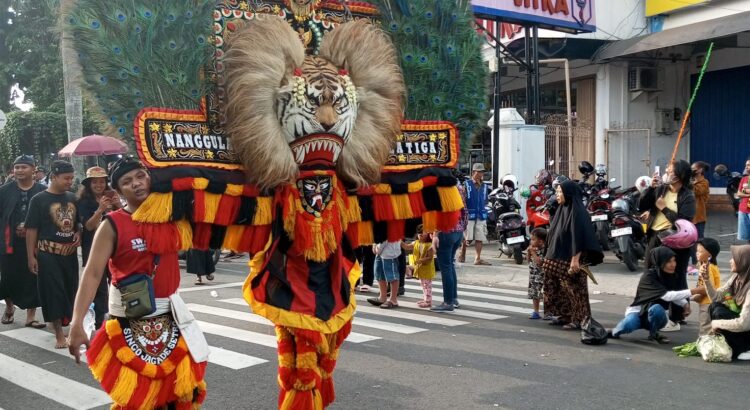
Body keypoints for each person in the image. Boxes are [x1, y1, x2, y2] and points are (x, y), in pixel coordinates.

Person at [67, 157, 209, 407]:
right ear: (119, 191)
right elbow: (92, 274)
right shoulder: (112, 225)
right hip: (129, 322)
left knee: (178, 397)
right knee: (137, 399)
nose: (136, 183)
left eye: (140, 176)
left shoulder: (172, 216)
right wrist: (77, 322)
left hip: (172, 318)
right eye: (127, 181)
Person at [25, 160, 80, 348]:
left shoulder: (72, 197)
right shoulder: (39, 200)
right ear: (54, 177)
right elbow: (31, 230)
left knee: (71, 291)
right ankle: (58, 335)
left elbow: (78, 223)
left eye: (71, 178)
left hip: (70, 255)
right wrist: (31, 257)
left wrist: (79, 233)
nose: (69, 182)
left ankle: (69, 326)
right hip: (48, 254)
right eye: (66, 178)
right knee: (53, 293)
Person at [639, 160, 696, 327]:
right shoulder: (661, 189)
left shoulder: (687, 196)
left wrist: (664, 208)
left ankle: (677, 315)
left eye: (669, 170)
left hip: (676, 241)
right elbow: (641, 205)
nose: (666, 172)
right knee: (650, 273)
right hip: (655, 236)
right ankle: (648, 311)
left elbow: (684, 222)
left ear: (678, 176)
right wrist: (650, 189)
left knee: (676, 276)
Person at [608, 247, 702, 344]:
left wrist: (685, 304)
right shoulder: (648, 276)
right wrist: (695, 291)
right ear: (660, 261)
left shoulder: (672, 276)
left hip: (656, 315)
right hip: (638, 313)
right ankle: (613, 332)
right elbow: (667, 296)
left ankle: (654, 334)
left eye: (674, 260)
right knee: (627, 325)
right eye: (668, 261)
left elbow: (673, 293)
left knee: (656, 309)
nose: (673, 264)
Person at [543, 180, 603, 330]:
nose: (557, 195)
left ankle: (579, 318)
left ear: (568, 193)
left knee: (574, 290)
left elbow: (579, 237)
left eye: (560, 192)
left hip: (571, 259)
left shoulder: (578, 212)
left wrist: (575, 259)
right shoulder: (562, 209)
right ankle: (565, 315)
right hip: (558, 257)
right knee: (560, 289)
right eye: (557, 192)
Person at [0, 155, 47, 328]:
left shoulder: (42, 191)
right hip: (9, 242)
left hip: (34, 242)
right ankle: (9, 307)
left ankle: (31, 316)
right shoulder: (4, 191)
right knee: (7, 277)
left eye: (24, 167)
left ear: (33, 169)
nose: (19, 170)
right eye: (17, 167)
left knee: (33, 277)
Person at [76, 166, 120, 328]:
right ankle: (100, 321)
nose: (99, 185)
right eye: (95, 182)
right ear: (89, 184)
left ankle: (117, 315)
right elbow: (88, 226)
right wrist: (100, 210)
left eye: (102, 182)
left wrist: (117, 205)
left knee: (117, 281)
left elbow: (125, 218)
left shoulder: (112, 197)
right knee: (98, 285)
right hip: (93, 246)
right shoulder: (83, 202)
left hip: (115, 246)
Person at [703, 244, 750, 360]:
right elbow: (716, 297)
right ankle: (735, 345)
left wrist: (716, 323)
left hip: (746, 325)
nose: (730, 261)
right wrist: (706, 279)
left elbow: (744, 324)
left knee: (719, 314)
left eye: (734, 258)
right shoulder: (737, 278)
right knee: (715, 307)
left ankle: (745, 348)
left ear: (744, 261)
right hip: (744, 325)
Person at [431, 178, 468, 312]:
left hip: (445, 232)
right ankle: (453, 298)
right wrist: (463, 229)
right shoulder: (458, 186)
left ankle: (448, 302)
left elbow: (440, 213)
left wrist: (435, 233)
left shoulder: (442, 187)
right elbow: (464, 209)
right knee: (450, 266)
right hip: (458, 231)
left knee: (446, 267)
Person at [459, 163, 490, 265]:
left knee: (479, 238)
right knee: (467, 238)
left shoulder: (485, 186)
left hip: (481, 215)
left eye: (482, 172)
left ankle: (478, 258)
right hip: (469, 215)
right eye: (479, 172)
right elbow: (462, 199)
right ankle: (462, 253)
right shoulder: (466, 184)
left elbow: (485, 200)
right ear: (473, 172)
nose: (481, 174)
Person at [692, 237, 721, 336]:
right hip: (708, 302)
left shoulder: (708, 268)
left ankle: (705, 344)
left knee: (705, 329)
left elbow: (708, 287)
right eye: (697, 251)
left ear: (709, 255)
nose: (697, 253)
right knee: (709, 329)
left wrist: (694, 295)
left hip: (708, 303)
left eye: (700, 251)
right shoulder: (706, 265)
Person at [401, 226, 435, 308]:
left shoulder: (429, 245)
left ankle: (428, 301)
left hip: (427, 269)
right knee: (424, 285)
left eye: (423, 232)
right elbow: (406, 246)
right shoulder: (416, 243)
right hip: (420, 269)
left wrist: (421, 260)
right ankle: (426, 299)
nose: (421, 234)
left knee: (427, 286)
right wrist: (400, 241)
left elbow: (430, 258)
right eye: (419, 233)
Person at [367, 239, 402, 309]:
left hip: (390, 252)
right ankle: (382, 297)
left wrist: (377, 248)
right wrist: (375, 245)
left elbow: (384, 237)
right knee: (379, 273)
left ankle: (393, 300)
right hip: (381, 250)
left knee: (392, 276)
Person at [690, 161, 710, 266]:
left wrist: (688, 181)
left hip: (698, 217)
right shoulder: (692, 181)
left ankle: (699, 262)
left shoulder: (704, 182)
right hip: (689, 217)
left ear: (700, 170)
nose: (691, 171)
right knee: (689, 240)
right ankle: (693, 261)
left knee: (698, 241)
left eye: (694, 169)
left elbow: (697, 191)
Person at [527, 227, 547, 320]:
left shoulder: (544, 250)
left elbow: (539, 262)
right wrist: (529, 253)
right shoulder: (533, 249)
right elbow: (528, 261)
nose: (531, 241)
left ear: (541, 241)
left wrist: (533, 252)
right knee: (535, 294)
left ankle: (548, 312)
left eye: (533, 239)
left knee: (546, 293)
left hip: (542, 275)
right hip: (533, 275)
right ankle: (536, 311)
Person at [736, 158, 750, 244]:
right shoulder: (744, 179)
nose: (746, 167)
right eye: (746, 165)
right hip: (743, 209)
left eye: (748, 165)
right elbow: (738, 193)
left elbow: (742, 192)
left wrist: (745, 191)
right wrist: (748, 193)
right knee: (747, 236)